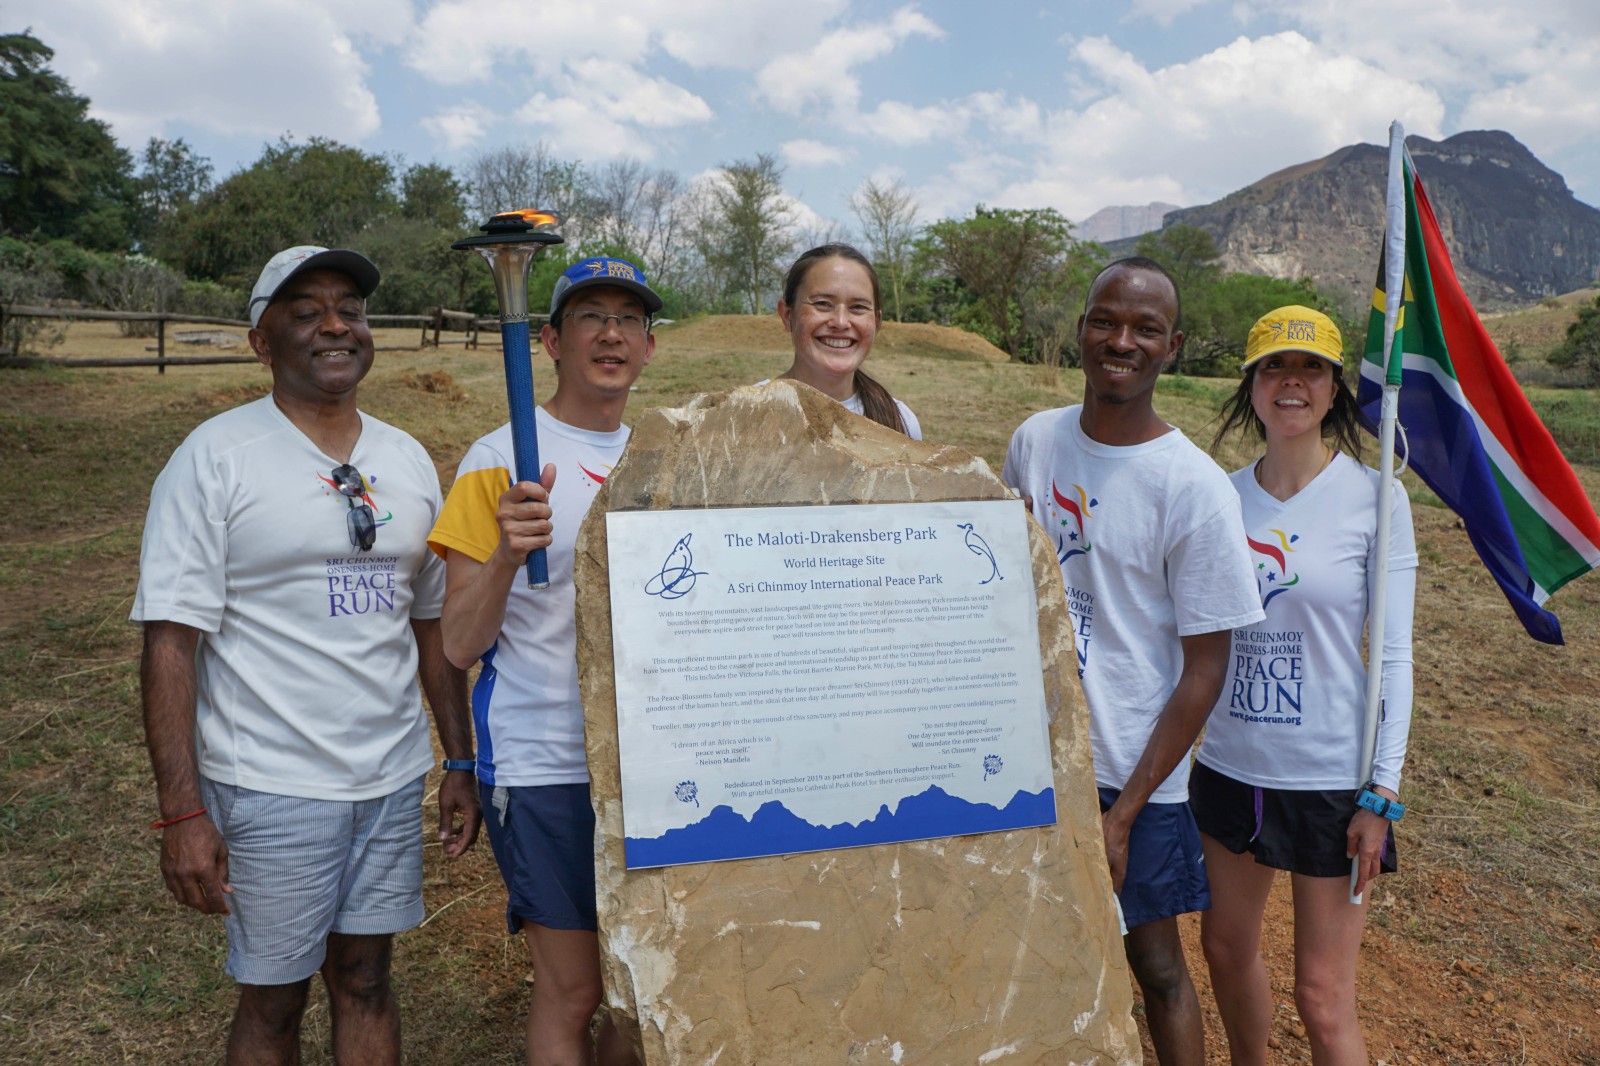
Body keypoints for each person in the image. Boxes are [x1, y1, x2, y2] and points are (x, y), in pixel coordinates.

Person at [133, 245, 480, 1066]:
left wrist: (458, 760)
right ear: (262, 340)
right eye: (306, 310)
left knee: (366, 981)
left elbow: (429, 626)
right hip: (269, 784)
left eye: (350, 310)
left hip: (389, 777)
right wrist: (183, 814)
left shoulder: (403, 459)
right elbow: (171, 641)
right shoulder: (215, 458)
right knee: (275, 1001)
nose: (335, 325)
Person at [1002, 257, 1263, 1066]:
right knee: (1032, 953)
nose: (1122, 340)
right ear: (1080, 329)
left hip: (1130, 773)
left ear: (1173, 345)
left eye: (1146, 328)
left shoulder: (1193, 488)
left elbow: (1205, 670)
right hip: (1034, 758)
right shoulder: (1035, 442)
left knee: (1155, 967)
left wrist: (1123, 813)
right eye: (1106, 320)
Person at [428, 256, 658, 1066]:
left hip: (653, 762)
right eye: (591, 317)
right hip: (544, 760)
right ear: (551, 340)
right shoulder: (498, 459)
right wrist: (502, 556)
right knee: (574, 990)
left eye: (629, 320)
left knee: (644, 989)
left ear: (649, 347)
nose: (611, 334)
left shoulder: (663, 457)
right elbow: (458, 642)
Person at [1195, 305, 1416, 1065]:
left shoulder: (1376, 497)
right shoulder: (1217, 496)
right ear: (1251, 387)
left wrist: (1380, 792)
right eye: (1274, 367)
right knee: (1223, 948)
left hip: (1330, 780)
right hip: (1229, 764)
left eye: (1311, 367)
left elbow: (1394, 657)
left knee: (1322, 999)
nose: (1292, 381)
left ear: (1334, 390)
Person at [772, 243, 922, 438]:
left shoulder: (901, 423)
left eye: (858, 307)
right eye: (822, 304)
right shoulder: (743, 414)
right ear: (787, 315)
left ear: (877, 321)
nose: (841, 322)